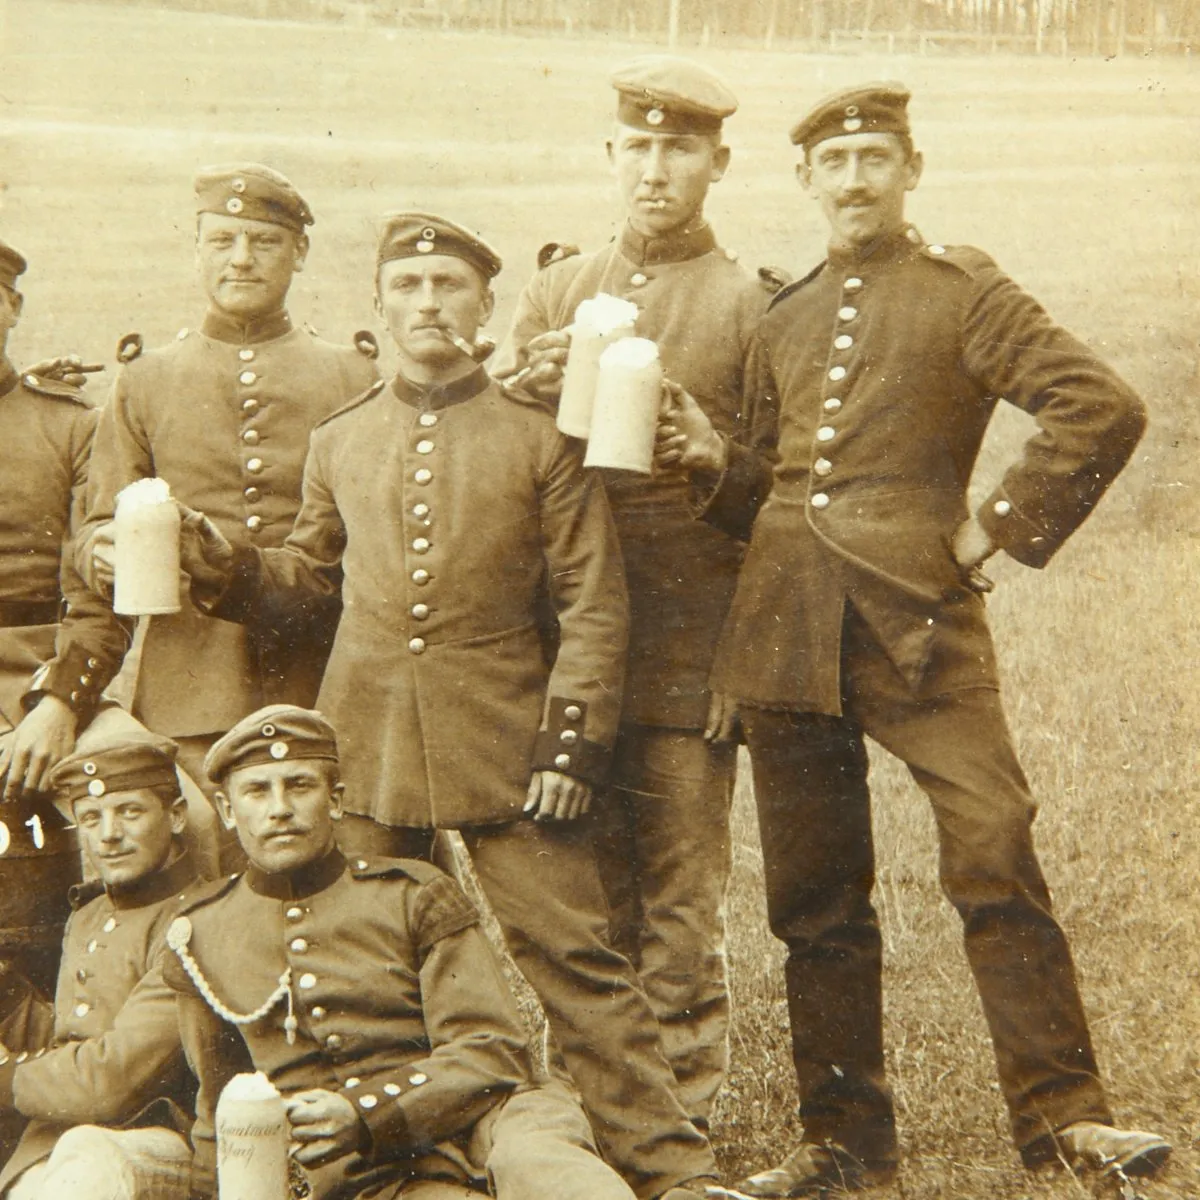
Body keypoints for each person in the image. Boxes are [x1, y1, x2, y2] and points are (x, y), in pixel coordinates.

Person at [662, 82, 1171, 1193]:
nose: (853, 180)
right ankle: (844, 1143)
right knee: (814, 897)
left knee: (993, 845)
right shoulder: (783, 313)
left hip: (919, 623)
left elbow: (1101, 404)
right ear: (805, 182)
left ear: (910, 172)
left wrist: (993, 531)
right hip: (786, 629)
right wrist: (710, 462)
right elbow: (765, 491)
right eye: (833, 162)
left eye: (874, 159)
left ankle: (1065, 1122)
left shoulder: (962, 287)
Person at [177, 214, 732, 1200]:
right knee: (360, 954)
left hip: (510, 747)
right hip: (369, 748)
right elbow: (309, 581)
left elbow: (592, 603)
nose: (428, 302)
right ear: (378, 307)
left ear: (486, 308)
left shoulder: (537, 441)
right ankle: (386, 1154)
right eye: (409, 285)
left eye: (449, 285)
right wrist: (223, 567)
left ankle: (671, 1170)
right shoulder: (343, 437)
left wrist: (568, 750)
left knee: (578, 960)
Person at [491, 56, 776, 1127]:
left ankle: (681, 1114)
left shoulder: (751, 303)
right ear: (612, 155)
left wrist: (742, 657)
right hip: (570, 649)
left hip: (686, 653)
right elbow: (504, 474)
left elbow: (785, 508)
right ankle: (605, 1105)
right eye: (639, 148)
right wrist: (512, 389)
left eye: (681, 149)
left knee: (677, 898)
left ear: (718, 163)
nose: (656, 169)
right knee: (585, 892)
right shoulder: (559, 289)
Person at [162, 703, 700, 1200]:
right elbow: (219, 1110)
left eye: (298, 785)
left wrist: (362, 1110)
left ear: (337, 800)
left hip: (494, 1117)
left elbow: (491, 1049)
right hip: (374, 1174)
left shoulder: (413, 893)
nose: (280, 809)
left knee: (541, 1164)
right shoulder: (204, 935)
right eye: (257, 792)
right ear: (227, 812)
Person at [75, 164, 378, 857]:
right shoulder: (146, 378)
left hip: (317, 669)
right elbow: (92, 524)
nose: (241, 259)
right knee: (207, 863)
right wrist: (97, 550)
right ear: (198, 247)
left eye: (264, 242)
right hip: (191, 681)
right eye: (222, 241)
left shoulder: (351, 375)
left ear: (299, 253)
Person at [0, 235, 136, 1005]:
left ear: (13, 307)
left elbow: (97, 594)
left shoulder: (73, 428)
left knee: (156, 788)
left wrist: (61, 702)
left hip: (37, 676)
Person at [0, 733, 200, 1200]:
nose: (108, 834)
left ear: (175, 816)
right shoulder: (88, 915)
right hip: (58, 1139)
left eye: (129, 811)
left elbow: (113, 1079)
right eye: (91, 818)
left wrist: (7, 1079)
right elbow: (72, 1037)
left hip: (163, 1135)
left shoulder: (198, 919)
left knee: (86, 1156)